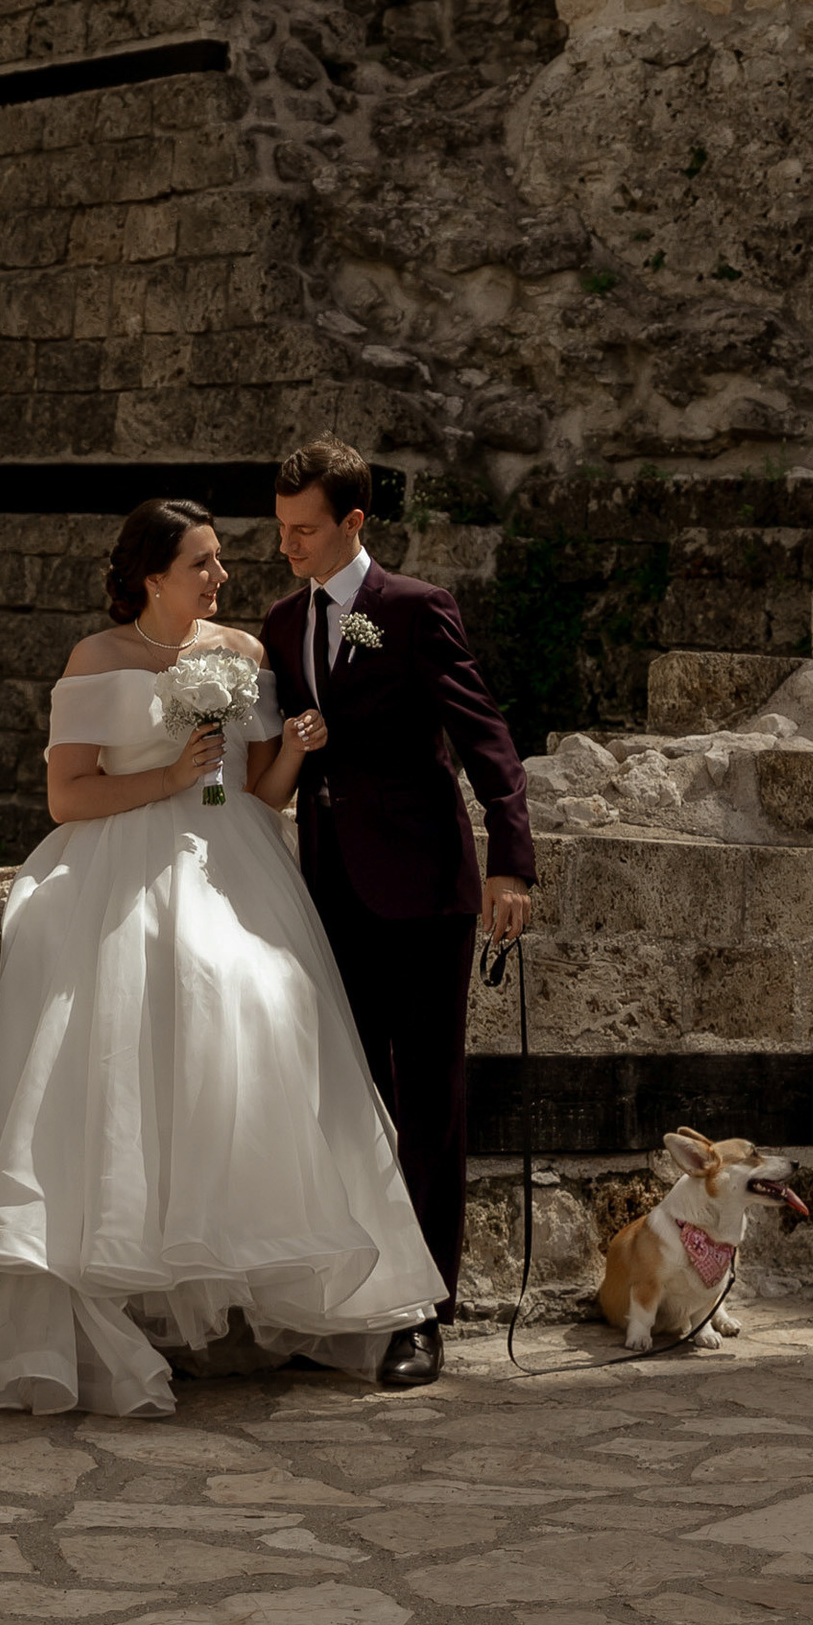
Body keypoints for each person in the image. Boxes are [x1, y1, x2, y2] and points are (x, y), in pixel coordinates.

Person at [0, 497, 443, 1416]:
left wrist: (293, 751)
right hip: (115, 854)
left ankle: (253, 1274)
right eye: (201, 565)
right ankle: (109, 1284)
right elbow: (67, 797)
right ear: (150, 575)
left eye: (219, 561)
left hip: (232, 859)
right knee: (132, 1001)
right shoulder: (97, 660)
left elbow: (257, 797)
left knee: (257, 997)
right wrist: (169, 779)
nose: (222, 578)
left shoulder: (246, 655)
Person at [261, 435, 535, 1392]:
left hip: (422, 886)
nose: (287, 544)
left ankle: (424, 1312)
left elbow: (486, 737)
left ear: (354, 523)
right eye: (281, 527)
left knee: (428, 1103)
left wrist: (513, 863)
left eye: (305, 530)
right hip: (327, 885)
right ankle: (347, 1297)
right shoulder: (280, 618)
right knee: (341, 1096)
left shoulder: (415, 611)